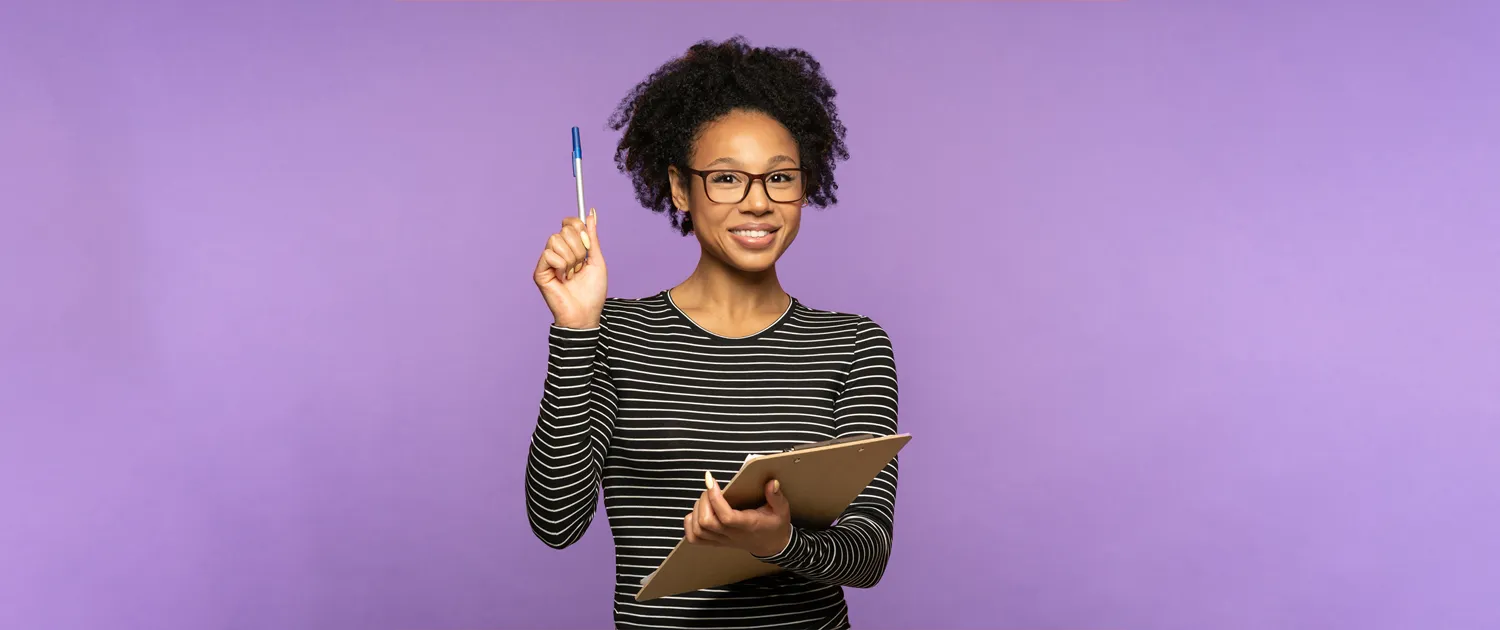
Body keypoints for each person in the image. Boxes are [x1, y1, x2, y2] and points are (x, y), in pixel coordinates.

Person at [524, 36, 900, 630]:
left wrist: (779, 542)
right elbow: (556, 523)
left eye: (780, 178)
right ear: (680, 188)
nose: (758, 204)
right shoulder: (614, 334)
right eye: (727, 179)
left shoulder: (852, 346)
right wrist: (576, 330)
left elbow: (869, 553)